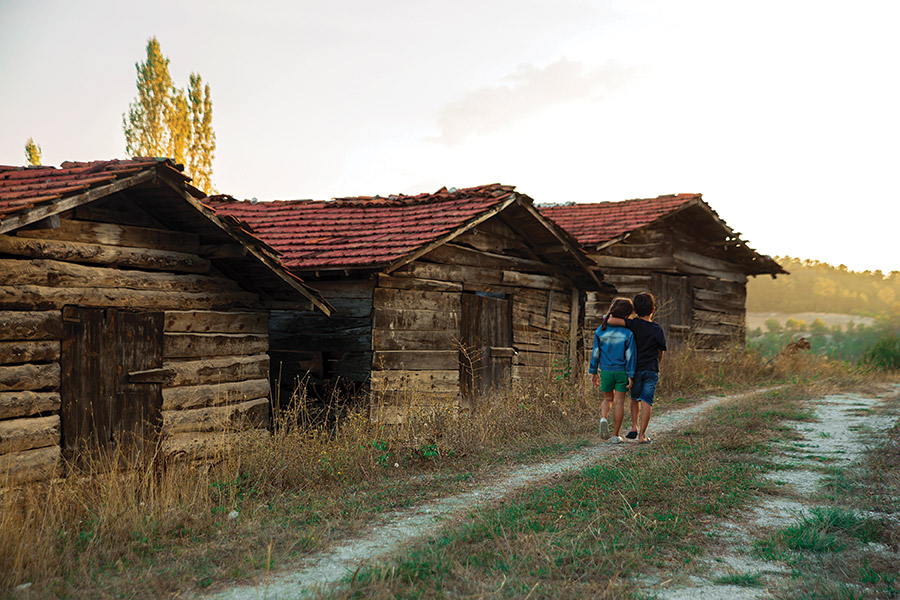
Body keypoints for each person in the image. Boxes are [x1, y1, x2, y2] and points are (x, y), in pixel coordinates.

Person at [606, 292, 667, 444]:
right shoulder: (657, 329)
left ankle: (634, 426)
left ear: (635, 310)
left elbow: (610, 319)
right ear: (653, 310)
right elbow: (660, 352)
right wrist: (657, 363)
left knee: (635, 398)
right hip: (651, 369)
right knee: (647, 400)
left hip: (634, 369)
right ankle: (642, 435)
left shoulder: (633, 324)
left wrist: (625, 313)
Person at [588, 297, 636, 443]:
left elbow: (595, 353)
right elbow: (630, 356)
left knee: (607, 399)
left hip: (606, 371)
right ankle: (615, 435)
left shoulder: (600, 330)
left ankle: (603, 418)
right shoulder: (628, 333)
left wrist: (594, 371)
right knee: (619, 402)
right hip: (621, 371)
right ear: (627, 315)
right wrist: (631, 374)